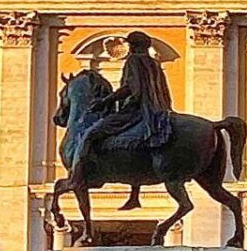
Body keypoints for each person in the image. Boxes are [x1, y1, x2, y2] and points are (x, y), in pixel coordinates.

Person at [72, 31, 173, 211]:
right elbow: (164, 92)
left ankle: (78, 177)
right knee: (137, 150)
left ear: (133, 46)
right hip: (157, 111)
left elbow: (129, 88)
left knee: (90, 134)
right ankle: (134, 195)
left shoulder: (134, 61)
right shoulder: (154, 63)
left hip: (135, 110)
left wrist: (106, 101)